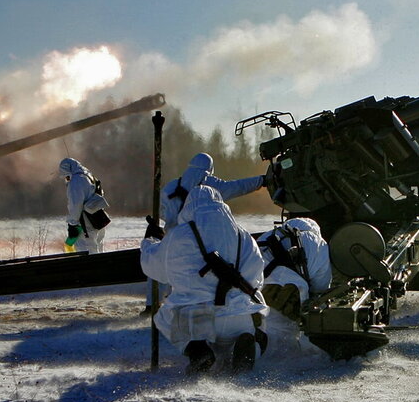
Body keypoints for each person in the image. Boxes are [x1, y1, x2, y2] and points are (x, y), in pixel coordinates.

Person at [141, 185, 268, 374]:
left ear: (188, 207)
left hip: (196, 319)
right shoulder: (244, 236)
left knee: (164, 317)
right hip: (239, 318)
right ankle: (251, 348)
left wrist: (150, 241)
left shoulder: (178, 235)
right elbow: (257, 279)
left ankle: (197, 350)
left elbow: (154, 268)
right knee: (252, 315)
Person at [257, 217, 333, 352]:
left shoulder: (267, 236)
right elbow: (320, 289)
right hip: (294, 293)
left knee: (267, 329)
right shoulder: (319, 245)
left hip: (262, 291)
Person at [159, 153, 265, 228]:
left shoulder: (171, 186)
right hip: (198, 241)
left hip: (171, 239)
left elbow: (160, 211)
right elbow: (237, 187)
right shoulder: (209, 184)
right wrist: (261, 180)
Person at [59, 158, 111, 253]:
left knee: (85, 249)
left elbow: (75, 205)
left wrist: (73, 224)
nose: (67, 179)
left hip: (86, 222)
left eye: (66, 176)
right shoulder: (89, 176)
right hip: (98, 218)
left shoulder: (76, 181)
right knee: (98, 247)